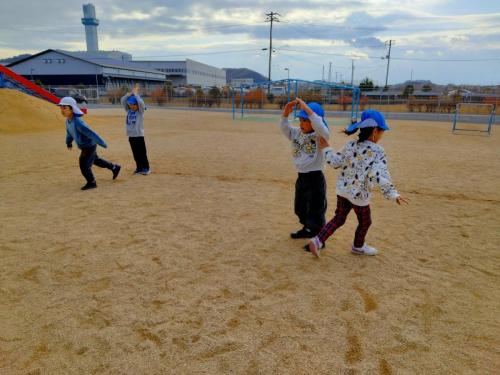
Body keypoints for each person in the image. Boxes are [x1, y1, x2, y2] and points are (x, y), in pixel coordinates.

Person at [306, 109, 409, 257]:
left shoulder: (350, 145)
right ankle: (358, 246)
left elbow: (335, 162)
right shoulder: (378, 151)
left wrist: (327, 148)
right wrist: (393, 193)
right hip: (359, 196)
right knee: (365, 222)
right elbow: (378, 175)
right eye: (382, 131)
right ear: (375, 131)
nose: (382, 135)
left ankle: (317, 240)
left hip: (343, 191)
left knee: (338, 219)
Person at [280, 98, 330, 239]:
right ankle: (307, 228)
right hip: (301, 177)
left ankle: (318, 237)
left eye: (306, 120)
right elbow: (284, 128)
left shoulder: (320, 135)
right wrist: (285, 113)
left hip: (315, 178)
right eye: (300, 120)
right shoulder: (296, 133)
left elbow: (320, 125)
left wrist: (308, 109)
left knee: (316, 208)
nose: (301, 123)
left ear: (314, 122)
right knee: (300, 207)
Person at [59, 96, 121, 190]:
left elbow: (90, 133)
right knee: (96, 160)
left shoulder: (78, 122)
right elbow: (69, 132)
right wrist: (68, 142)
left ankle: (91, 182)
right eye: (61, 107)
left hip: (88, 146)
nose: (62, 110)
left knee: (83, 164)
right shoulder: (68, 121)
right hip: (85, 146)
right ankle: (114, 167)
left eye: (65, 107)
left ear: (72, 109)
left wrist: (102, 143)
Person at [121, 85, 150, 175]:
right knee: (136, 153)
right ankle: (139, 167)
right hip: (131, 136)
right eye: (130, 105)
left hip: (139, 136)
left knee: (142, 153)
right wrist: (129, 94)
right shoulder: (128, 110)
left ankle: (146, 168)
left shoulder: (140, 112)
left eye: (134, 104)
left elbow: (141, 103)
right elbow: (122, 101)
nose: (132, 106)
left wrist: (136, 95)